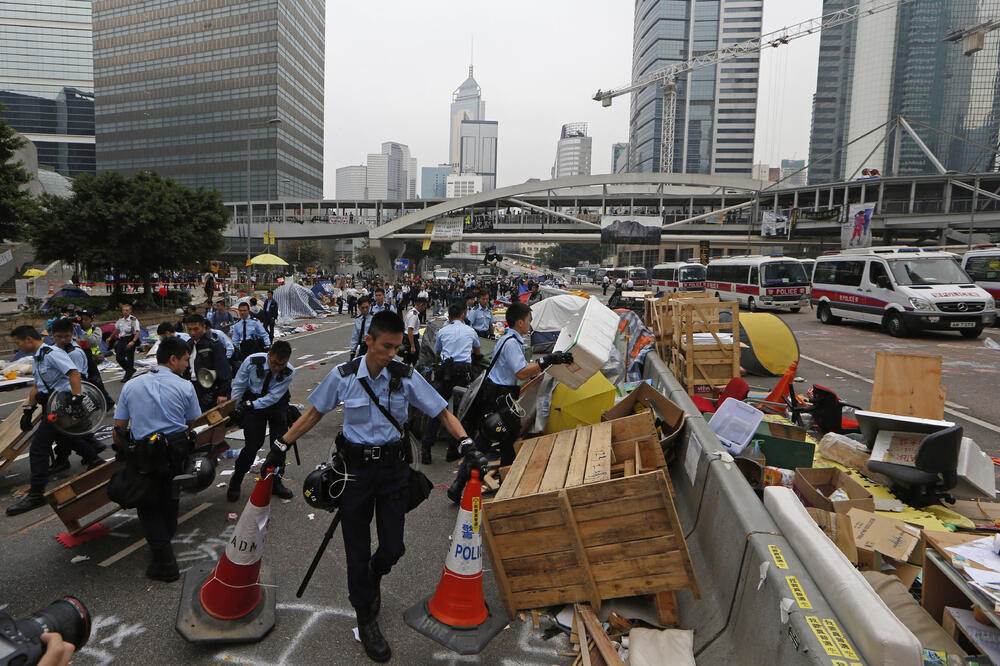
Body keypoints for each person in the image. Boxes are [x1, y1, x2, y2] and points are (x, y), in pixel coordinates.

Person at [263, 311, 475, 662]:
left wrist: (465, 443)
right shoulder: (344, 375)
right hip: (355, 473)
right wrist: (281, 445)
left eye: (396, 347)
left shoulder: (405, 376)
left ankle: (375, 575)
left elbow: (441, 412)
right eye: (385, 346)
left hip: (393, 470)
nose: (392, 353)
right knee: (356, 552)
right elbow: (314, 413)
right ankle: (366, 615)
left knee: (393, 548)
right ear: (369, 341)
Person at [113, 336, 202, 581]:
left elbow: (119, 426)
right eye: (185, 360)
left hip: (144, 453)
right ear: (173, 359)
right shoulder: (185, 386)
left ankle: (163, 556)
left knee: (147, 502)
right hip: (175, 449)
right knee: (170, 496)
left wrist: (122, 450)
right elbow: (192, 421)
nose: (186, 365)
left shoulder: (132, 385)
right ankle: (165, 546)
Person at [6, 326, 103, 516]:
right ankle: (94, 459)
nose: (17, 346)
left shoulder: (52, 354)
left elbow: (74, 373)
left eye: (18, 342)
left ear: (28, 340)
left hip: (62, 405)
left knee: (38, 449)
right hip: (51, 403)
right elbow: (37, 386)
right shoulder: (38, 356)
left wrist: (76, 399)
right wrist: (29, 409)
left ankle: (36, 494)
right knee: (65, 436)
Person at [478, 302, 572, 466]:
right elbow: (521, 372)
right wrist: (546, 361)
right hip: (500, 396)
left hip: (499, 394)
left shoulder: (508, 338)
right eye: (529, 320)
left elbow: (523, 368)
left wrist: (548, 362)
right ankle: (465, 479)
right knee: (495, 435)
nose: (530, 323)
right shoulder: (512, 343)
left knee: (505, 437)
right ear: (520, 322)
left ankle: (504, 476)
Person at [227, 341, 295, 501]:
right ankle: (236, 480)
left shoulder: (289, 371)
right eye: (274, 363)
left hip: (276, 405)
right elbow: (239, 385)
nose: (277, 368)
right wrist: (234, 408)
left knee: (279, 446)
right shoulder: (252, 361)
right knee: (252, 446)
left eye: (281, 364)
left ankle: (276, 482)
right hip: (252, 404)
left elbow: (273, 397)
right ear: (268, 355)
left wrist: (252, 405)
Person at [420, 301, 479, 464]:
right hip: (462, 373)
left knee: (439, 409)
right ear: (463, 314)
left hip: (444, 372)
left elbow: (438, 352)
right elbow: (477, 350)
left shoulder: (442, 331)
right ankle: (453, 449)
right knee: (460, 412)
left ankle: (426, 448)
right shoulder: (470, 330)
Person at [108, 303, 141, 382]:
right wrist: (110, 337)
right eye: (123, 310)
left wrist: (133, 341)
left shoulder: (133, 320)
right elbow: (116, 330)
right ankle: (130, 370)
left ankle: (128, 374)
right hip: (122, 340)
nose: (125, 312)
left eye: (127, 310)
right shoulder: (120, 320)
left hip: (130, 339)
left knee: (130, 358)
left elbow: (137, 332)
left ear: (130, 311)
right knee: (119, 358)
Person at [402, 298, 425, 364]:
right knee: (415, 361)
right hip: (411, 340)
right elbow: (410, 330)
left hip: (408, 338)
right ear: (421, 305)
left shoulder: (411, 312)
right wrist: (412, 346)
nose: (424, 309)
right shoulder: (414, 315)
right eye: (424, 306)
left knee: (408, 360)